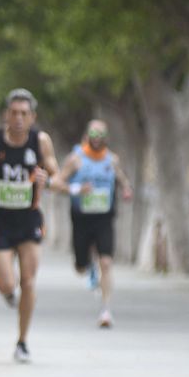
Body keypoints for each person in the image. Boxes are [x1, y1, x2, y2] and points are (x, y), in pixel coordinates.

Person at [0, 88, 59, 363]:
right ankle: (9, 295)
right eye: (14, 113)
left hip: (29, 220)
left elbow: (55, 172)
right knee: (6, 283)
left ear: (32, 117)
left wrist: (47, 179)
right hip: (1, 222)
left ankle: (22, 341)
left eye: (24, 114)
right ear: (6, 115)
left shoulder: (40, 141)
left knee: (28, 281)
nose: (18, 118)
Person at [50, 119, 133, 327]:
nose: (97, 139)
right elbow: (57, 182)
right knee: (80, 266)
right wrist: (77, 189)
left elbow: (122, 178)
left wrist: (126, 189)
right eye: (93, 135)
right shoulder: (76, 159)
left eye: (101, 135)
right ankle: (88, 268)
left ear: (106, 138)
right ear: (87, 136)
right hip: (81, 218)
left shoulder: (111, 160)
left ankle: (105, 311)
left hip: (104, 217)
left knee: (106, 262)